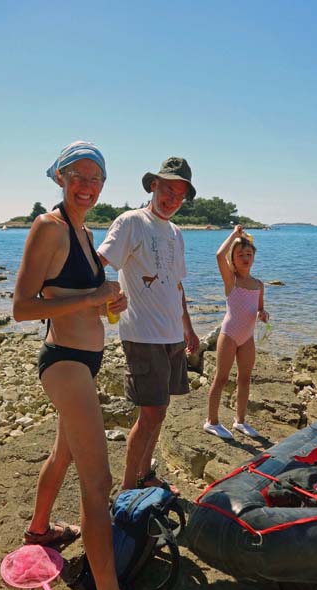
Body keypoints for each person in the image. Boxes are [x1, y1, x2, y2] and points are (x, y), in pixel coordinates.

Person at [13, 141, 170, 590]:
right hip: (63, 364)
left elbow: (77, 299)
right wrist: (95, 295)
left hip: (84, 361)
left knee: (63, 455)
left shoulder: (83, 231)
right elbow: (23, 307)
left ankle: (40, 529)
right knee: (98, 486)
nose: (86, 185)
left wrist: (107, 307)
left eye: (95, 178)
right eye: (77, 175)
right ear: (59, 177)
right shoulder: (49, 226)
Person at [98, 157, 200, 493]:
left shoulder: (175, 232)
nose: (172, 199)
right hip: (142, 335)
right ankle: (128, 490)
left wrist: (188, 327)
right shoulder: (131, 222)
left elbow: (176, 285)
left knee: (160, 411)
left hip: (171, 336)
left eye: (180, 195)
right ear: (153, 185)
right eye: (168, 189)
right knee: (150, 415)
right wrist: (100, 301)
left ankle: (144, 475)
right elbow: (99, 264)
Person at [204, 226, 269, 439]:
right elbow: (217, 255)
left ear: (254, 257)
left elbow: (259, 308)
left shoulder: (258, 284)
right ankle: (211, 421)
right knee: (221, 378)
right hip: (229, 334)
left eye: (249, 254)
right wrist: (233, 235)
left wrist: (262, 314)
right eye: (240, 255)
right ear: (233, 259)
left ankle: (240, 421)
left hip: (247, 337)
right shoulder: (231, 280)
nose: (245, 258)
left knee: (245, 379)